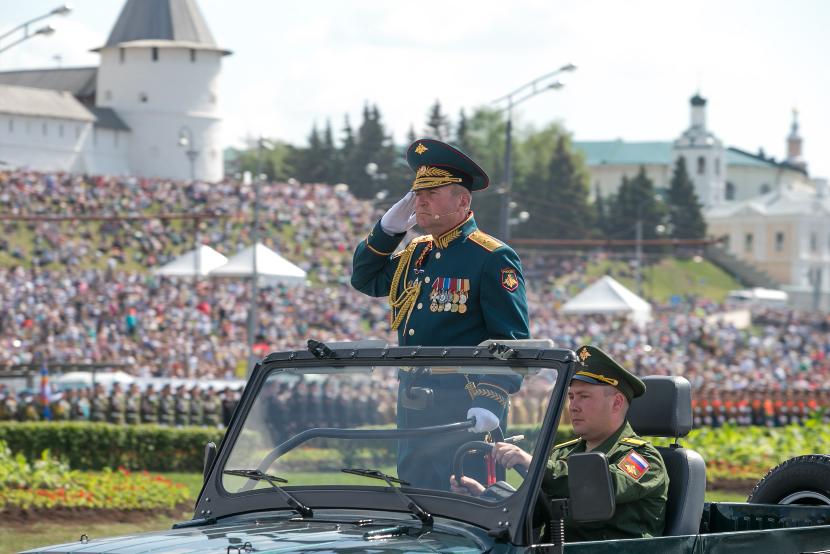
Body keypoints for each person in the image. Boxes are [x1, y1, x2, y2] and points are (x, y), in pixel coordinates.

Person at [351, 138, 530, 490]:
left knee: (469, 501)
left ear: (463, 201)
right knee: (417, 503)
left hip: (463, 406)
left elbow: (511, 340)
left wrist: (489, 399)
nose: (420, 200)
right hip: (414, 403)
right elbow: (365, 279)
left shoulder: (491, 257)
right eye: (417, 193)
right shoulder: (417, 252)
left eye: (432, 192)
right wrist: (387, 231)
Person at [451, 345, 668, 541]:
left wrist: (533, 464)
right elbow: (535, 514)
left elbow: (600, 488)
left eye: (584, 396)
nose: (573, 406)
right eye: (572, 397)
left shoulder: (643, 459)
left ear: (617, 402)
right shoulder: (562, 453)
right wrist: (486, 497)